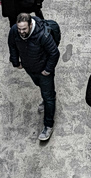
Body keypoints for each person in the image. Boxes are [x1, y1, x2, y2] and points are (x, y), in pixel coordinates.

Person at [9, 13, 59, 143]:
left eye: (24, 29)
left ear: (30, 25)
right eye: (19, 28)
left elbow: (54, 53)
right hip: (29, 68)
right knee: (40, 86)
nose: (21, 32)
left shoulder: (43, 34)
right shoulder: (15, 30)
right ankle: (49, 96)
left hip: (43, 71)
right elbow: (12, 45)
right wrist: (16, 62)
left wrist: (48, 70)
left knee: (48, 97)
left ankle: (48, 125)